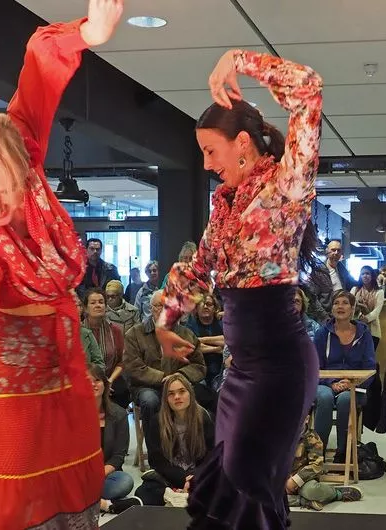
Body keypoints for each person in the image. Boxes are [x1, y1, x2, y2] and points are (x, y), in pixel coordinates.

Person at [0, 4, 125, 529]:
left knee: (77, 502)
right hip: (14, 405)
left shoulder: (23, 148)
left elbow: (38, 63)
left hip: (66, 384)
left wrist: (87, 35)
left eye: (2, 189)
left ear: (21, 166)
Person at [155, 46, 323, 529]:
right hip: (241, 371)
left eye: (211, 151)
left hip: (281, 368)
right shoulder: (225, 205)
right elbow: (198, 266)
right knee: (232, 481)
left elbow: (308, 89)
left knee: (250, 479)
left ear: (243, 142)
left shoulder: (287, 186)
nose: (206, 164)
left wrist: (239, 59)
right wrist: (166, 321)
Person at [124, 290, 212, 435]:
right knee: (150, 401)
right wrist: (163, 377)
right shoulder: (134, 334)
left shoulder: (186, 334)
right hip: (148, 387)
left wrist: (178, 377)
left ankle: (198, 444)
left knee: (206, 394)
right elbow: (133, 366)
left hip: (181, 383)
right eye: (159, 306)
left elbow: (199, 365)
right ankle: (156, 451)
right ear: (151, 308)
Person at [314, 291, 376, 462]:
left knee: (345, 400)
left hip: (356, 386)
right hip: (325, 384)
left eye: (345, 303)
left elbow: (370, 368)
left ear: (353, 308)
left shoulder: (364, 334)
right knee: (325, 398)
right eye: (336, 303)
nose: (340, 306)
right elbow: (314, 367)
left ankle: (343, 453)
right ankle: (318, 453)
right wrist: (331, 382)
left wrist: (351, 383)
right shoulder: (321, 334)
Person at [135, 374, 215, 506]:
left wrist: (195, 477)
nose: (177, 397)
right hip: (171, 476)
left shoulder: (206, 418)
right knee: (144, 492)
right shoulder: (157, 421)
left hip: (198, 474)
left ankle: (178, 497)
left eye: (182, 391)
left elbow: (212, 456)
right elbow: (156, 460)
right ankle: (182, 496)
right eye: (171, 394)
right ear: (166, 399)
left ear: (190, 394)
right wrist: (183, 480)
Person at [88, 364, 143, 514]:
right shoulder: (73, 415)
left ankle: (82, 500)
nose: (93, 384)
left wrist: (98, 474)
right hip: (81, 475)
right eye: (87, 380)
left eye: (97, 380)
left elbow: (118, 456)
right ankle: (104, 504)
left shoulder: (119, 414)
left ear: (105, 385)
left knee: (125, 482)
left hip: (106, 474)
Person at [286, 415, 361, 511]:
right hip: (281, 479)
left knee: (311, 491)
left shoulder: (313, 438)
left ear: (307, 419)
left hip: (303, 479)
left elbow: (316, 465)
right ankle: (304, 502)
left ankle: (336, 493)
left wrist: (294, 481)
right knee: (263, 493)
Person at [83, 288, 130, 409]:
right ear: (85, 308)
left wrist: (109, 381)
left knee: (122, 392)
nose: (98, 305)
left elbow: (122, 360)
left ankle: (114, 426)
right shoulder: (79, 332)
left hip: (111, 376)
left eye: (101, 302)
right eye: (93, 303)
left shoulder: (115, 330)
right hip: (85, 379)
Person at [308, 240, 356, 322]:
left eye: (339, 250)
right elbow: (313, 298)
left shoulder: (341, 268)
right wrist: (324, 317)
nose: (336, 253)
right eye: (333, 250)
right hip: (326, 317)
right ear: (327, 251)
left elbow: (353, 284)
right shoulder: (318, 271)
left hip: (341, 315)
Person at [185, 293, 225, 388]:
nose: (205, 306)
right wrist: (217, 349)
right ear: (196, 309)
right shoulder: (190, 326)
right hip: (198, 370)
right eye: (201, 304)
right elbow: (192, 347)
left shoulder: (222, 324)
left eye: (209, 304)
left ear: (215, 308)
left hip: (220, 370)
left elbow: (226, 340)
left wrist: (201, 340)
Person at [351, 265, 384, 350]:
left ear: (372, 276)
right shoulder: (355, 290)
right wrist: (359, 317)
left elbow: (377, 311)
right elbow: (350, 307)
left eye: (367, 273)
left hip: (373, 330)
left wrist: (366, 318)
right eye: (362, 274)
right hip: (355, 329)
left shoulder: (379, 292)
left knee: (369, 358)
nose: (365, 276)